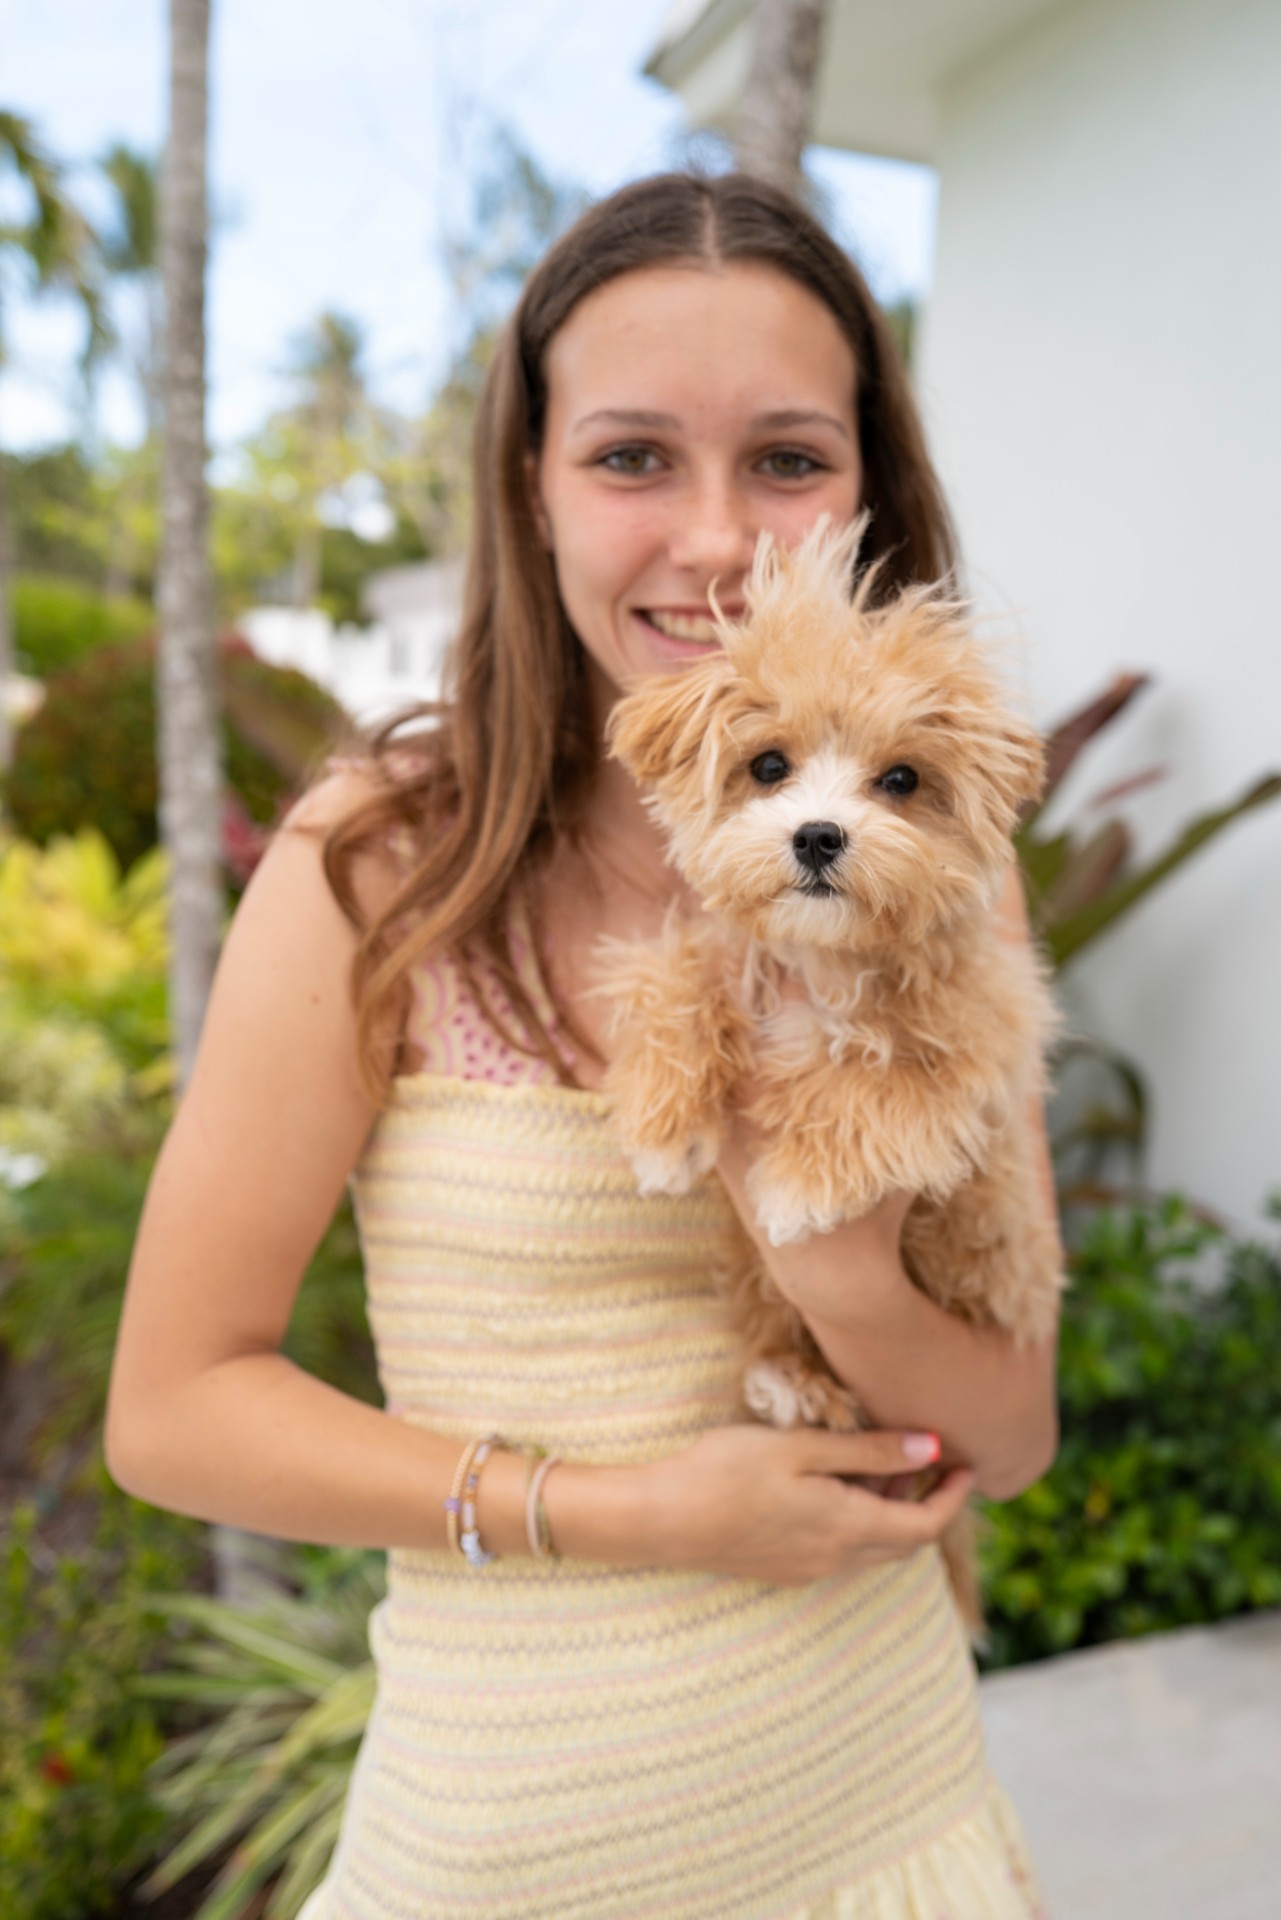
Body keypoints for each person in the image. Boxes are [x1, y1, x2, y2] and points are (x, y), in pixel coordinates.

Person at [106, 172, 1059, 1919]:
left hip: (890, 1828)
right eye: (631, 458)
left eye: (785, 458)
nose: (714, 540)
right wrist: (637, 1512)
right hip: (513, 1854)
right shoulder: (383, 861)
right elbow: (170, 1412)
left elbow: (1012, 1435)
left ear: (866, 492)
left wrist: (842, 1277)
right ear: (531, 489)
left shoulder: (937, 870)